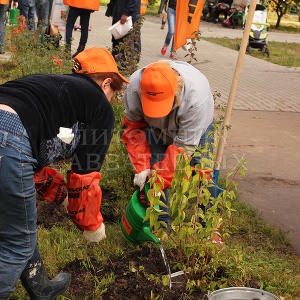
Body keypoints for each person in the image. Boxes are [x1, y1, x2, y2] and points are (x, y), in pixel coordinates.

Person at [0, 47, 128, 299]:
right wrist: (92, 226)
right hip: (8, 139)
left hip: (9, 138)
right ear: (105, 84)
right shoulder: (99, 105)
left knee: (18, 222)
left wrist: (63, 195)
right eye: (113, 92)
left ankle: (41, 288)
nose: (111, 99)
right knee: (17, 244)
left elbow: (31, 169)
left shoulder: (51, 89)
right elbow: (85, 177)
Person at [122, 60, 214, 231]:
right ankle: (161, 226)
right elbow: (133, 130)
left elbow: (181, 152)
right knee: (156, 166)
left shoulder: (195, 100)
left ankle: (207, 227)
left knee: (204, 174)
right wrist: (143, 170)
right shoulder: (135, 88)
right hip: (156, 130)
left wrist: (158, 179)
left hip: (195, 130)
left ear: (176, 92)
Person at [105, 0, 141, 74]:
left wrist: (126, 13)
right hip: (119, 11)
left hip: (129, 15)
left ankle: (130, 66)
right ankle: (116, 63)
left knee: (129, 41)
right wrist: (110, 8)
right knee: (116, 39)